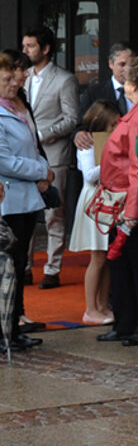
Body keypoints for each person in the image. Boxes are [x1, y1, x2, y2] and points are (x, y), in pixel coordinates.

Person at [96, 57, 138, 347]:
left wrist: (132, 212)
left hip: (136, 206)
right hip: (130, 203)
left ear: (133, 84)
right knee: (126, 266)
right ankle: (128, 323)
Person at [0, 49, 50, 348]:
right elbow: (4, 161)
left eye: (14, 77)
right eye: (7, 78)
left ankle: (15, 325)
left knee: (19, 266)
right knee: (8, 265)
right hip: (9, 199)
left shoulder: (21, 105)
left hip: (27, 198)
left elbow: (32, 144)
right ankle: (6, 329)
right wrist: (41, 169)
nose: (14, 82)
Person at [22, 26, 79, 289]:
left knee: (53, 213)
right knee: (25, 211)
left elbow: (71, 118)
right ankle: (24, 265)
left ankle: (52, 268)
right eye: (24, 46)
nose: (25, 50)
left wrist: (43, 133)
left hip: (54, 154)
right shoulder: (22, 78)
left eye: (31, 46)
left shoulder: (64, 79)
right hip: (25, 156)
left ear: (45, 49)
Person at [69, 101, 121, 324]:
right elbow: (89, 174)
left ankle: (101, 305)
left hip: (106, 200)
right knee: (97, 258)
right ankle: (91, 308)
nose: (117, 127)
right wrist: (113, 161)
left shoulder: (107, 141)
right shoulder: (89, 143)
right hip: (94, 201)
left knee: (106, 256)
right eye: (113, 124)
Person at [80, 42, 133, 118]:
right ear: (111, 64)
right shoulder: (93, 93)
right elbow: (81, 125)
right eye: (122, 64)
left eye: (131, 65)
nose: (127, 69)